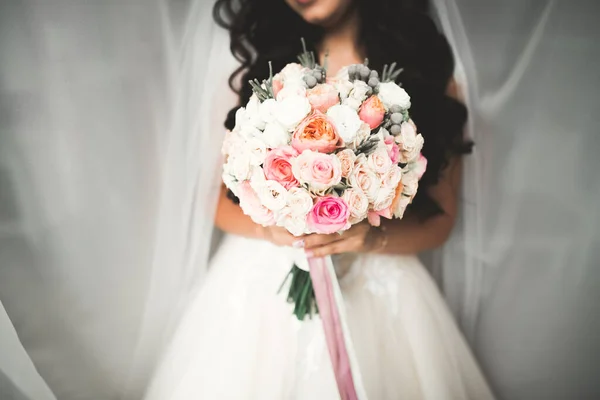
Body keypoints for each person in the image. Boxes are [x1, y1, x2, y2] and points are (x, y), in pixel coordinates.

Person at [145, 0, 495, 398]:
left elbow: (441, 222)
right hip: (260, 285)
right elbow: (217, 201)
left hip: (379, 287)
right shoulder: (264, 69)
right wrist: (275, 229)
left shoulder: (429, 75)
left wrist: (371, 238)